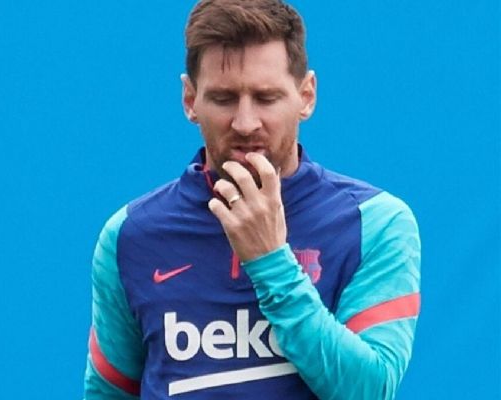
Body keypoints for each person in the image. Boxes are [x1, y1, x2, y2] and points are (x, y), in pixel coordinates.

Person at [83, 0, 421, 398]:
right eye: (224, 98)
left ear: (306, 96)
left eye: (266, 97)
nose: (245, 123)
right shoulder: (130, 235)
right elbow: (108, 392)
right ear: (190, 100)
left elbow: (370, 390)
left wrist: (271, 261)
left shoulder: (374, 222)